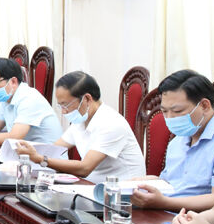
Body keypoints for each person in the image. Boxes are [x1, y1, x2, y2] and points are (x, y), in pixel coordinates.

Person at [15, 71, 144, 183]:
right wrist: (24, 155)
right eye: (60, 106)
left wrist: (40, 159)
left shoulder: (111, 123)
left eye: (66, 105)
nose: (63, 112)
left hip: (121, 193)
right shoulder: (81, 121)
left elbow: (85, 168)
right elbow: (54, 149)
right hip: (91, 186)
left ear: (87, 99)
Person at [131, 70, 214, 211]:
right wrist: (141, 183)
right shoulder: (180, 138)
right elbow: (170, 183)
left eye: (177, 111)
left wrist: (164, 203)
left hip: (196, 218)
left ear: (204, 106)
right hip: (164, 211)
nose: (169, 118)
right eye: (164, 111)